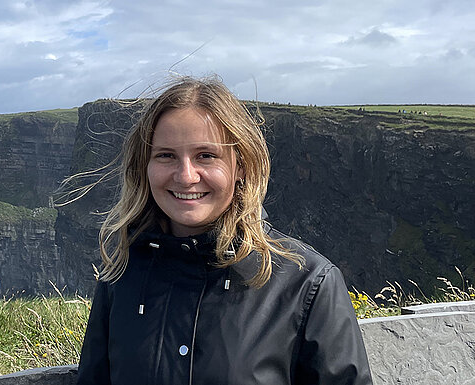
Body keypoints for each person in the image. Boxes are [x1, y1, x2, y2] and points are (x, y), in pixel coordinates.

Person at [76, 76, 372, 384]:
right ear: (145, 166)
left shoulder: (306, 283)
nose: (186, 176)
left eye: (206, 155)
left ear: (241, 165)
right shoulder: (121, 273)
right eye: (166, 155)